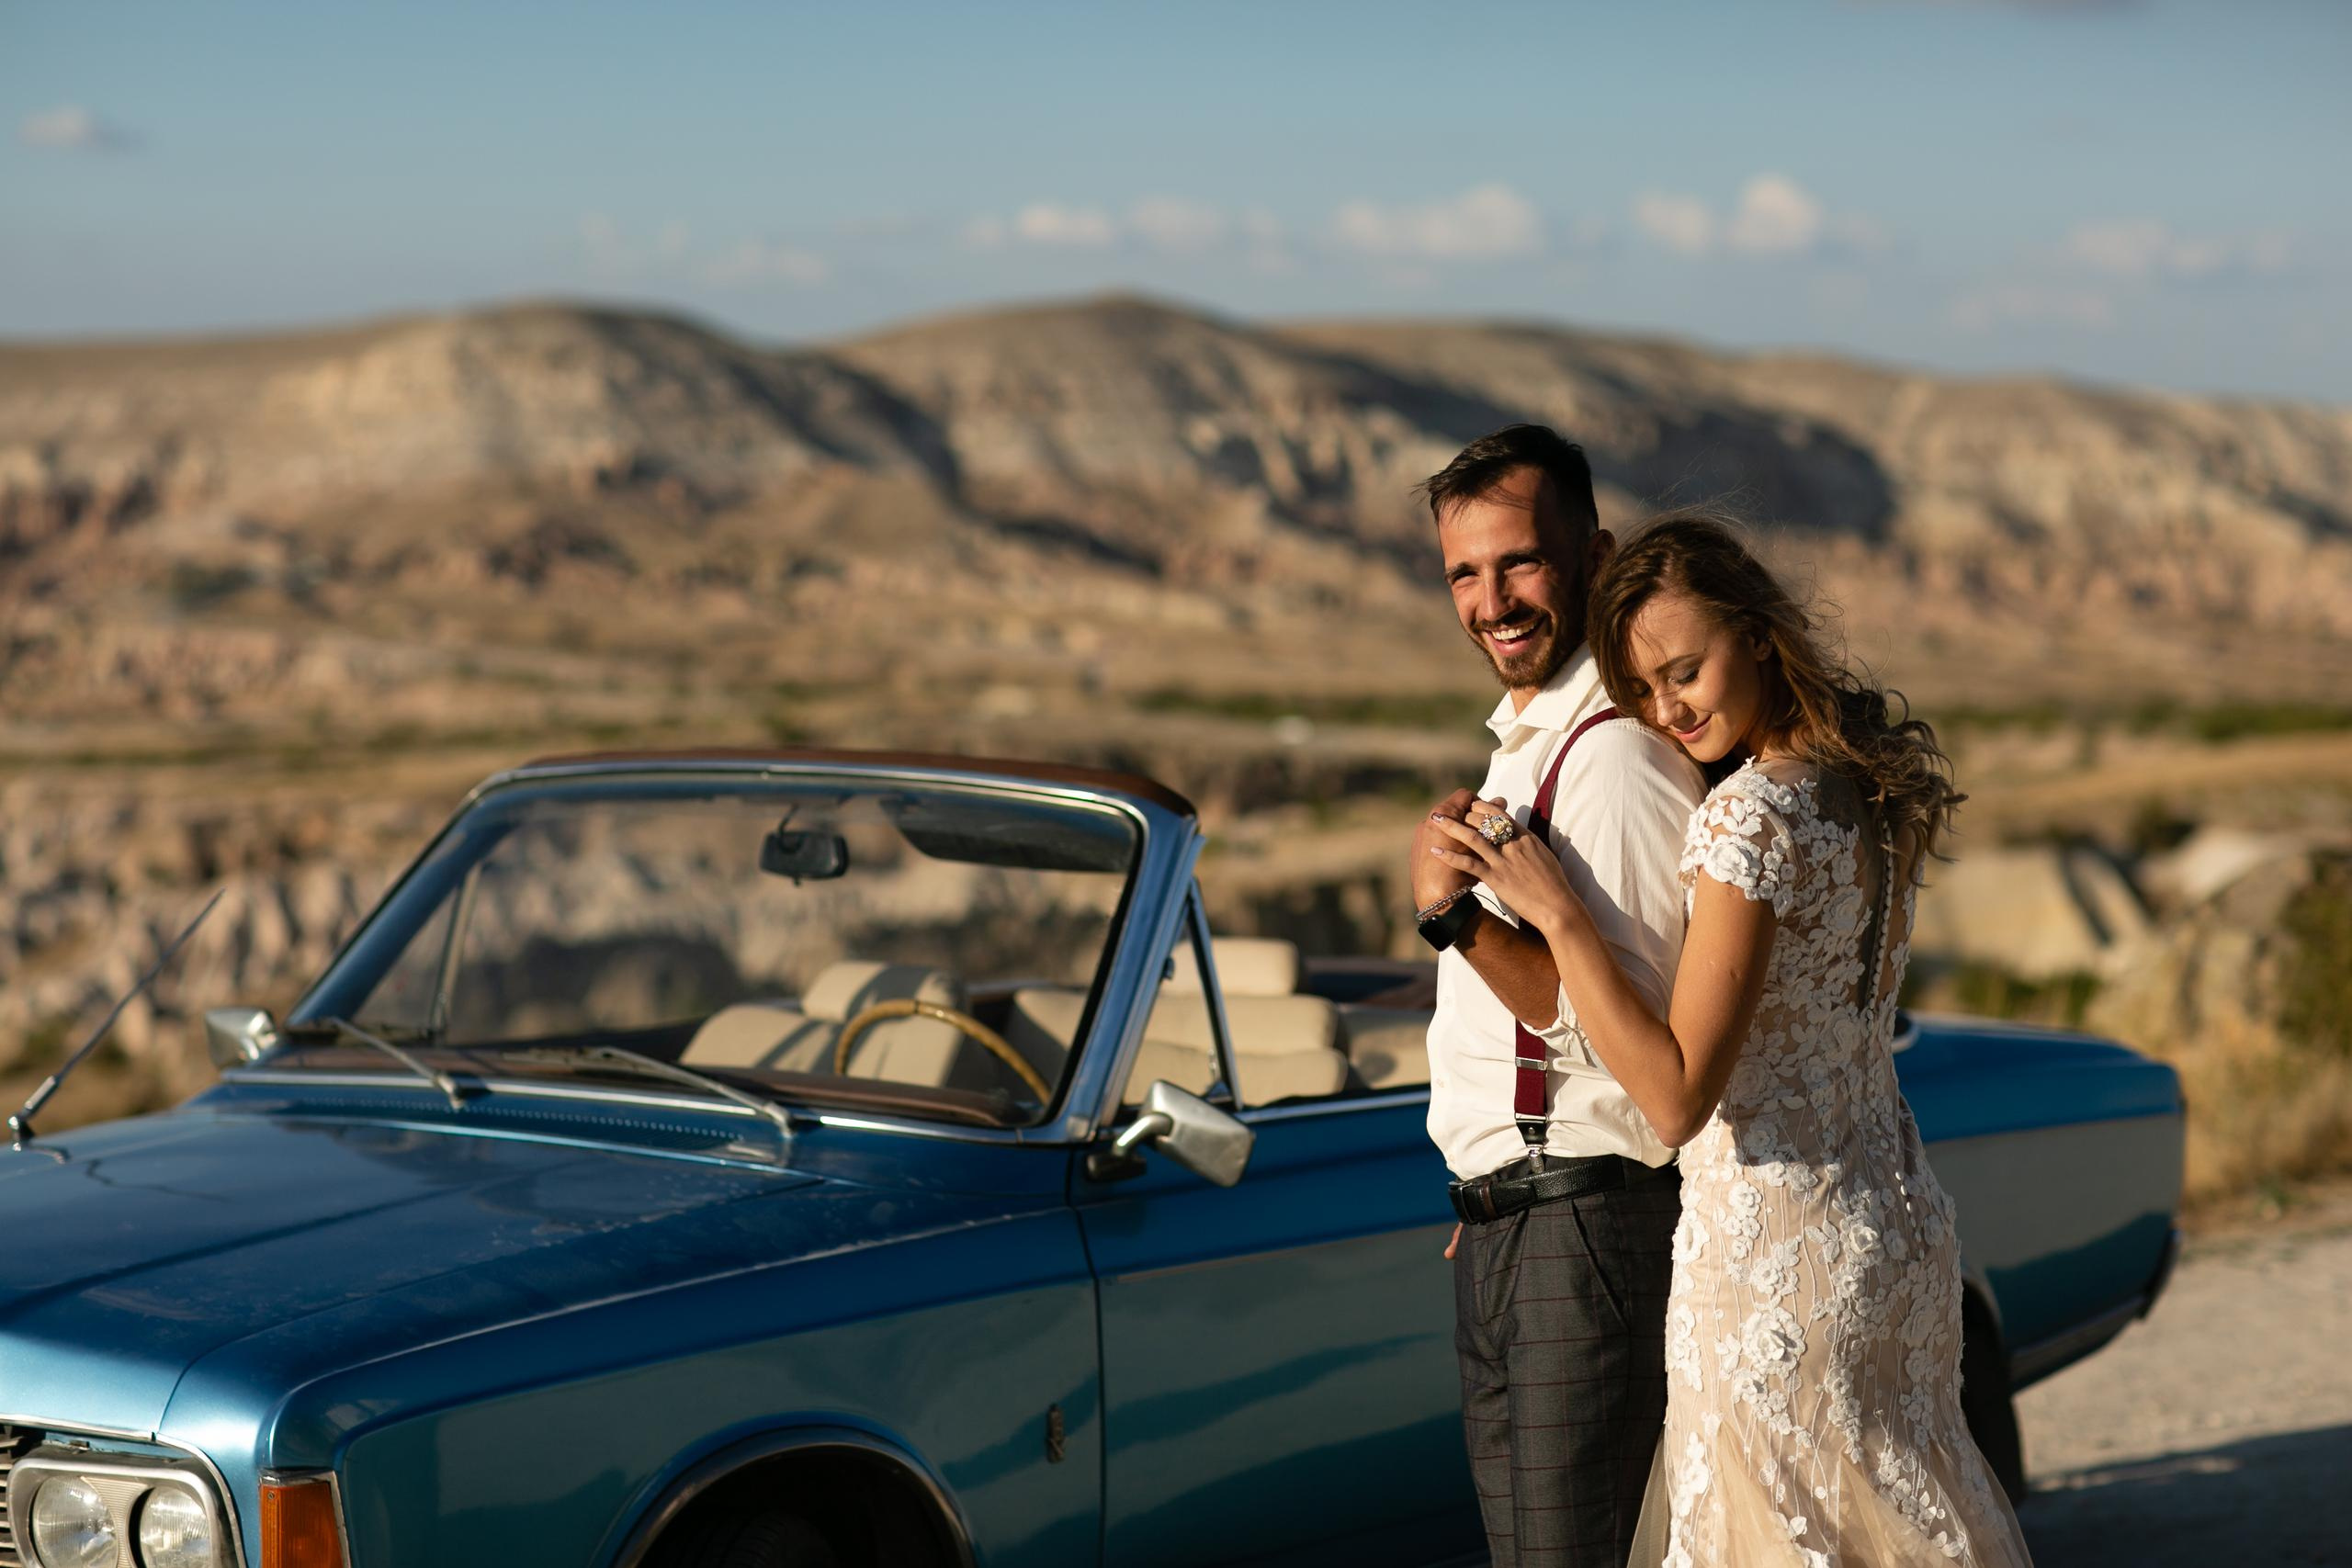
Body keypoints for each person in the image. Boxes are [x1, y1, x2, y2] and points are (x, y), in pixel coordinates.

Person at [1426, 511, 2035, 1567]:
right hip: (1891, 1228)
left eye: (1686, 672)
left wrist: (1561, 915)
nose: (1668, 713)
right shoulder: (1861, 790)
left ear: (1758, 633)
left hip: (1771, 1265)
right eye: (1643, 692)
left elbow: (1673, 1097)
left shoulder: (1747, 820)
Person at [1409, 425, 1707, 1568]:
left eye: (1521, 562)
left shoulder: (1615, 764)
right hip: (1520, 1220)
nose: (1493, 600)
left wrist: (1450, 919)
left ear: (1594, 554)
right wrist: (1496, 1164)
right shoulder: (1526, 749)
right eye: (1465, 573)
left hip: (1579, 1229)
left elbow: (1635, 1043)